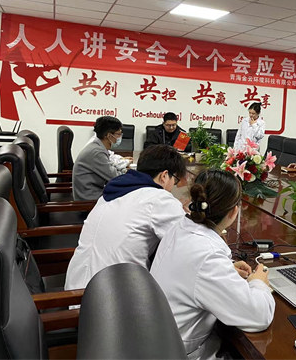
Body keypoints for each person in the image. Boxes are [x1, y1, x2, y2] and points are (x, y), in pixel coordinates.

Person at [151, 170, 274, 360]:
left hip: (156, 337)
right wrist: (258, 281)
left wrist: (226, 269)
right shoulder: (207, 255)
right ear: (234, 211)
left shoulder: (181, 227)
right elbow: (258, 316)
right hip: (180, 353)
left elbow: (193, 271)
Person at [65, 144, 188, 290]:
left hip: (74, 289)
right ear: (164, 176)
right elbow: (188, 240)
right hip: (111, 296)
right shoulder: (159, 199)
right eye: (175, 181)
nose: (172, 187)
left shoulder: (113, 192)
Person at [73, 116, 128, 201]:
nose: (120, 137)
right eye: (118, 134)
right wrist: (128, 172)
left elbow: (110, 169)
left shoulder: (97, 147)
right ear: (109, 136)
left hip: (93, 191)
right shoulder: (96, 152)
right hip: (89, 198)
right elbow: (115, 177)